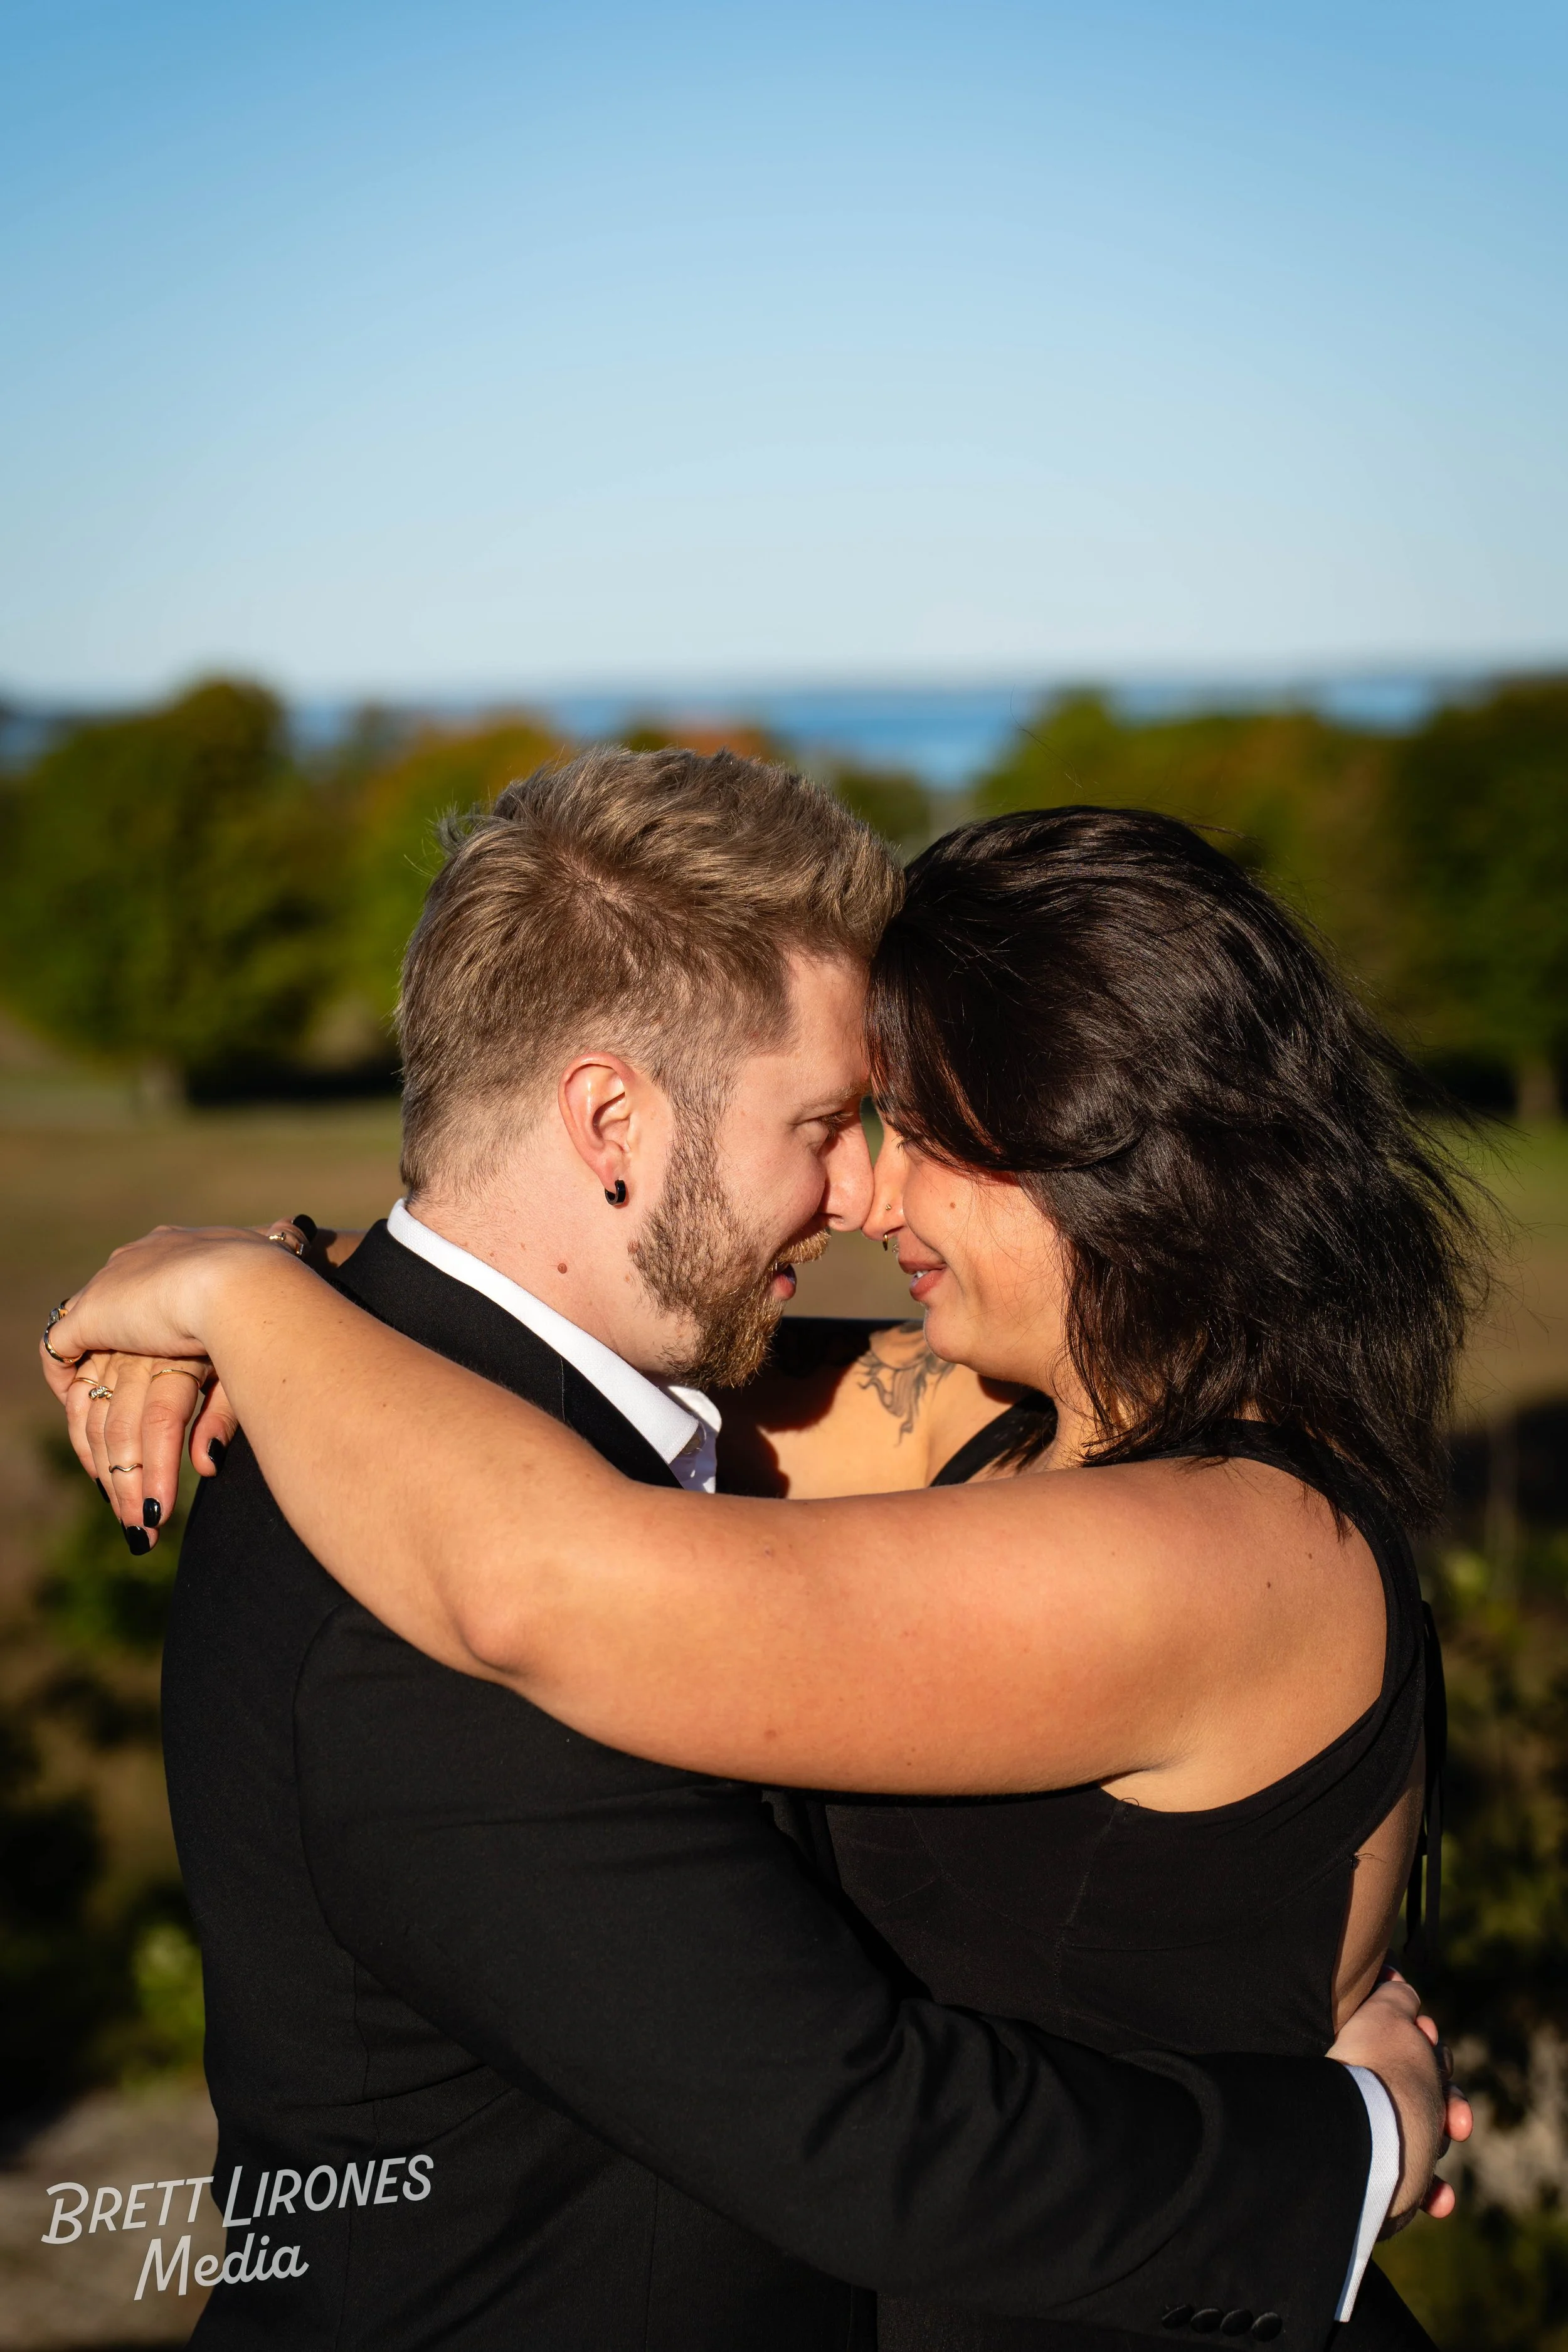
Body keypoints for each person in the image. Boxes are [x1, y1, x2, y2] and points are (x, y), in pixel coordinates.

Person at [46, 761, 1464, 2351]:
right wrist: (281, 1285)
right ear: (607, 1119)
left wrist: (245, 1296)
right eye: (830, 1121)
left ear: (1105, 1166)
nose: (858, 1191)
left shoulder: (1196, 1524)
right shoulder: (421, 1553)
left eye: (909, 1131)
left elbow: (546, 1565)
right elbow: (847, 2124)